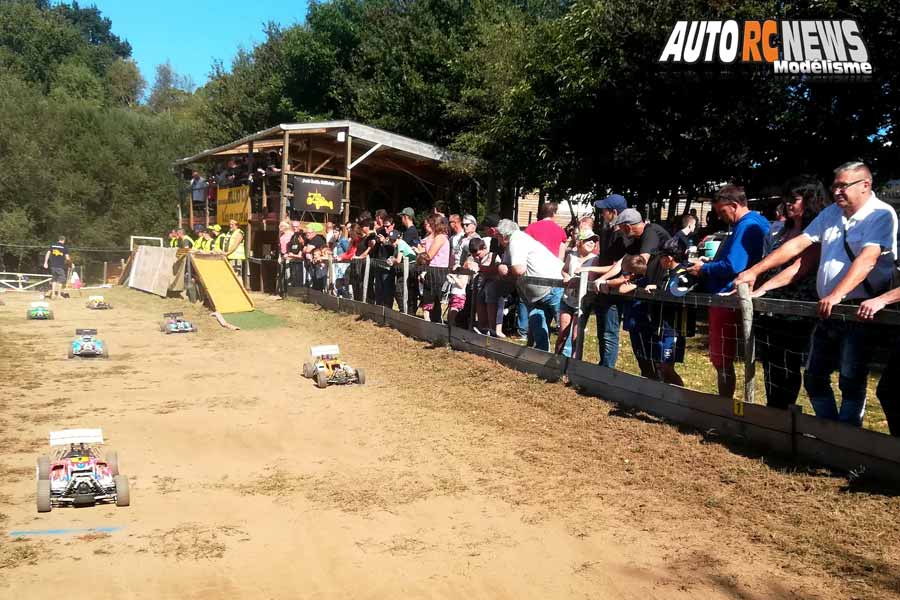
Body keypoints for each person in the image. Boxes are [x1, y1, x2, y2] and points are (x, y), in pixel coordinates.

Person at [735, 162, 898, 426]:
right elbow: (798, 246)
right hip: (828, 310)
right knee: (814, 377)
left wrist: (838, 294)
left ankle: (847, 437)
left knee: (850, 378)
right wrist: (756, 272)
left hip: (857, 310)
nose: (836, 191)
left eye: (843, 186)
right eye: (835, 186)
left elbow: (868, 258)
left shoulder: (881, 214)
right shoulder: (831, 214)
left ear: (865, 185)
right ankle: (829, 430)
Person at [748, 176, 827, 409]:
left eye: (795, 199)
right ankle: (773, 408)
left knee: (787, 362)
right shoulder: (781, 231)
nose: (789, 204)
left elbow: (799, 268)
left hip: (796, 307)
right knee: (770, 362)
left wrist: (762, 289)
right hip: (769, 305)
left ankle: (784, 412)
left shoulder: (816, 234)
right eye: (787, 200)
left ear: (810, 200)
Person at [685, 185, 768, 399]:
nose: (721, 217)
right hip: (740, 296)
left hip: (727, 298)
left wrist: (704, 269)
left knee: (722, 358)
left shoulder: (745, 226)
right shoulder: (760, 222)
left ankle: (725, 407)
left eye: (722, 212)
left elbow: (734, 265)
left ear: (734, 205)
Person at [496, 219, 564, 351]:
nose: (497, 240)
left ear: (503, 235)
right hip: (538, 294)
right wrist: (502, 266)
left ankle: (566, 363)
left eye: (498, 236)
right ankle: (542, 356)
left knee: (563, 327)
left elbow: (519, 269)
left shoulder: (516, 240)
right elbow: (505, 264)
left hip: (553, 287)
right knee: (537, 324)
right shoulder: (512, 242)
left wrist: (507, 270)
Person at [583, 193, 630, 367]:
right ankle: (602, 364)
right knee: (601, 331)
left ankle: (606, 369)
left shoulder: (622, 237)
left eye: (604, 211)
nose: (602, 214)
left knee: (610, 332)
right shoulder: (607, 232)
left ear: (614, 212)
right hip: (601, 288)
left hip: (613, 289)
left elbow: (616, 266)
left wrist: (590, 269)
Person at [556, 229, 601, 355]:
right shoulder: (571, 256)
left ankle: (574, 366)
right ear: (580, 242)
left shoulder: (595, 259)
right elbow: (564, 270)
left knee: (577, 337)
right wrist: (565, 276)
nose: (592, 243)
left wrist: (578, 281)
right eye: (588, 240)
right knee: (562, 334)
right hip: (567, 299)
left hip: (582, 303)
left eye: (594, 241)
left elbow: (591, 279)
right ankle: (556, 361)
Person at [447, 214, 480, 325]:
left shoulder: (475, 238)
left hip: (468, 276)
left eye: (467, 224)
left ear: (474, 225)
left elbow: (473, 258)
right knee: (455, 302)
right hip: (458, 273)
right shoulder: (462, 237)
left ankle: (464, 326)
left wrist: (461, 268)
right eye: (463, 224)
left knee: (465, 304)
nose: (465, 227)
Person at [417, 213, 450, 322]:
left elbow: (429, 256)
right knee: (429, 299)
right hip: (433, 271)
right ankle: (431, 322)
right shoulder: (436, 237)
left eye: (430, 224)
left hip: (437, 271)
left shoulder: (440, 237)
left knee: (431, 299)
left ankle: (433, 323)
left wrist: (420, 253)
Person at [43, 235, 70, 300]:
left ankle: (53, 295)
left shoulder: (52, 245)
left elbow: (48, 253)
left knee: (54, 279)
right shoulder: (64, 247)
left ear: (58, 239)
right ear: (64, 240)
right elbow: (67, 258)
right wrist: (71, 264)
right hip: (60, 266)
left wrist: (45, 262)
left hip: (52, 266)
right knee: (61, 279)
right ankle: (59, 295)